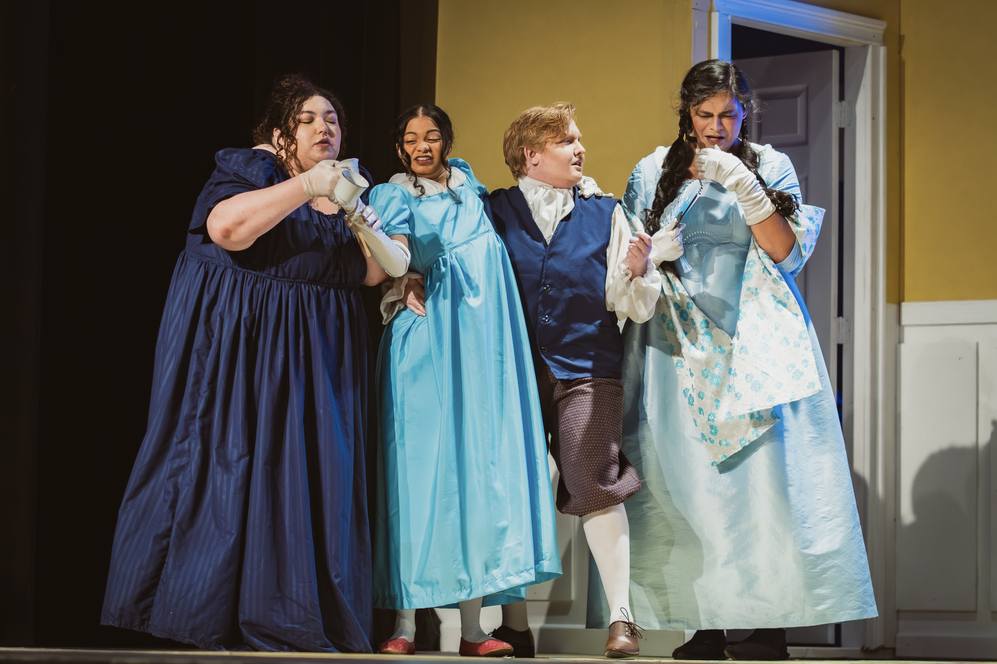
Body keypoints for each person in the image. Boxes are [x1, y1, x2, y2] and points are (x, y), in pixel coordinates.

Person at [101, 74, 402, 652]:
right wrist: (306, 183)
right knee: (228, 462)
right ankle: (194, 614)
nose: (325, 127)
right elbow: (227, 228)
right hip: (241, 346)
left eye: (333, 120)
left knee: (309, 479)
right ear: (280, 132)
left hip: (319, 355)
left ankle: (295, 621)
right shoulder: (255, 171)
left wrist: (354, 211)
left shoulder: (344, 196)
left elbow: (371, 272)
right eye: (310, 118)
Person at [616, 59, 877, 660]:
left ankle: (768, 626)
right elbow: (630, 254)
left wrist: (741, 181)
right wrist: (649, 255)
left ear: (744, 113)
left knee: (765, 484)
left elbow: (786, 251)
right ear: (687, 112)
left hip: (751, 339)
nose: (716, 126)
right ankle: (702, 624)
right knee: (690, 481)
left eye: (728, 115)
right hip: (676, 339)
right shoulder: (652, 169)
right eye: (704, 115)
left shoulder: (769, 163)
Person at [371, 104, 561, 657]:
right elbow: (393, 256)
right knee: (418, 472)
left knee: (477, 472)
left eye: (432, 136)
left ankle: (474, 630)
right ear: (401, 148)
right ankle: (404, 625)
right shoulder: (393, 194)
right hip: (430, 336)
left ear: (446, 141)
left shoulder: (470, 179)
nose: (422, 146)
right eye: (412, 139)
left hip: (484, 341)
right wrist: (403, 276)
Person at [486, 103, 671, 659]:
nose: (579, 148)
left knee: (594, 479)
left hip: (588, 365)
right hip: (511, 367)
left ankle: (621, 619)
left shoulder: (606, 211)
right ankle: (513, 624)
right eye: (567, 140)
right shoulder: (491, 210)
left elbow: (627, 302)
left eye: (578, 139)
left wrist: (638, 271)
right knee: (515, 491)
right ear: (532, 154)